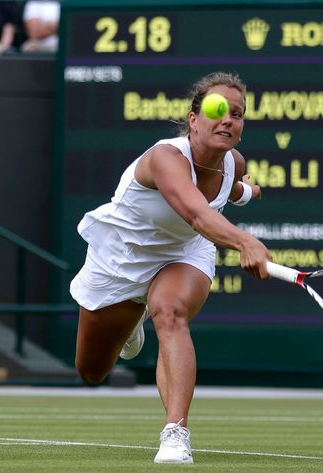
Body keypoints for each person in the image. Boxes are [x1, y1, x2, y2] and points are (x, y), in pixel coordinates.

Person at [70, 71, 272, 465]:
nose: (229, 119)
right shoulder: (165, 158)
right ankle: (131, 326)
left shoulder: (234, 162)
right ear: (193, 119)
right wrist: (246, 241)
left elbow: (236, 190)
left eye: (238, 113)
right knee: (92, 370)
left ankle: (175, 433)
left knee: (170, 312)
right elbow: (197, 213)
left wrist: (251, 191)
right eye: (218, 109)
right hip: (120, 260)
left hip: (184, 253)